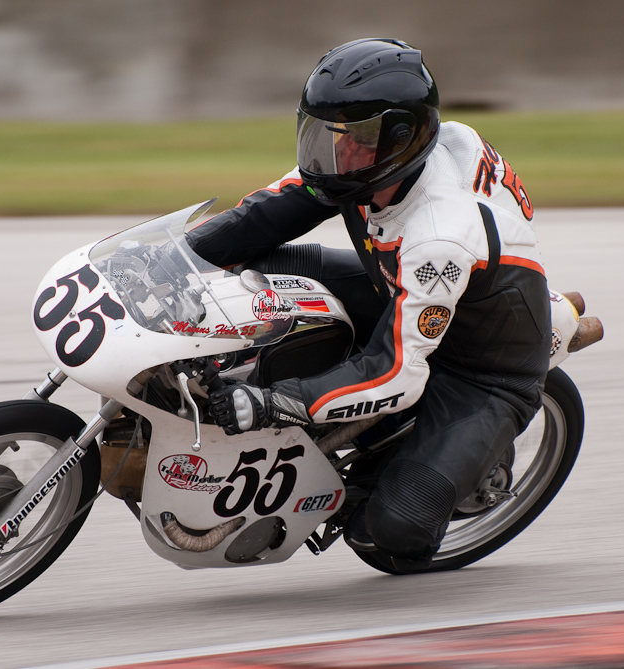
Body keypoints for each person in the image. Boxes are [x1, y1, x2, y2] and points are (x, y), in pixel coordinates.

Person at [191, 38, 550, 569]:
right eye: (324, 133)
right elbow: (264, 214)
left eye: (353, 139)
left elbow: (396, 372)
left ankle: (443, 468)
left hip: (480, 369)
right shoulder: (363, 168)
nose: (333, 153)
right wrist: (172, 256)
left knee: (385, 534)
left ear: (401, 143)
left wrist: (271, 402)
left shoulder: (440, 235)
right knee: (262, 263)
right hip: (398, 290)